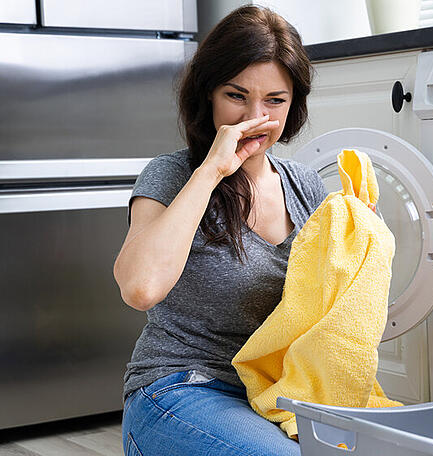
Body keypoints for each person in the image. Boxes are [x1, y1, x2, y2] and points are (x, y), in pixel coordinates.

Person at [113, 6, 325, 455]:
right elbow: (140, 288)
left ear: (294, 104)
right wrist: (213, 169)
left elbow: (339, 308)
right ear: (208, 94)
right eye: (236, 95)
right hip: (181, 389)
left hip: (276, 397)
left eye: (275, 100)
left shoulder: (305, 187)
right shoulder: (172, 176)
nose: (255, 116)